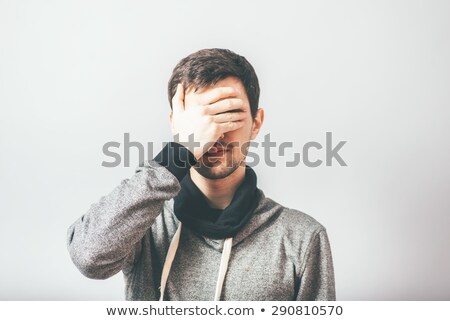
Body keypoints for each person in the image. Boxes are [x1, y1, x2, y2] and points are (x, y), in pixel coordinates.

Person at [67, 48, 336, 301]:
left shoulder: (301, 237)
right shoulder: (143, 225)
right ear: (177, 124)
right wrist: (180, 151)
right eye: (201, 119)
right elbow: (89, 257)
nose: (215, 134)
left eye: (230, 114)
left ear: (256, 123)